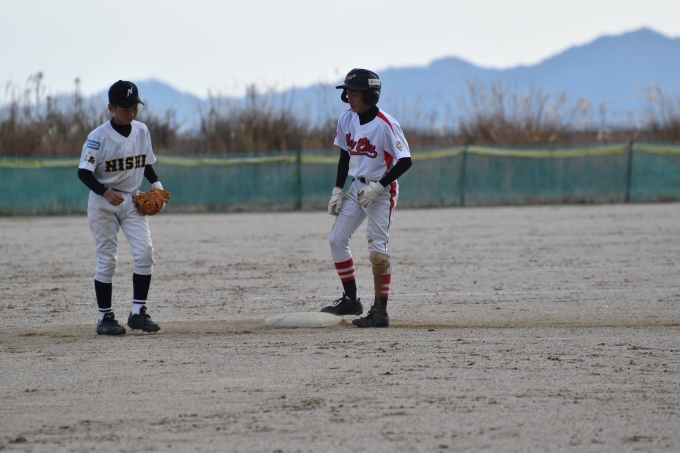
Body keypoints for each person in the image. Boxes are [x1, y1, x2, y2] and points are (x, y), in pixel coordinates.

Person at [321, 69, 413, 328]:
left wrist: (378, 186)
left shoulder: (385, 124)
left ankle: (380, 313)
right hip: (357, 188)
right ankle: (351, 301)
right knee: (336, 239)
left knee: (377, 252)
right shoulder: (346, 118)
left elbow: (405, 161)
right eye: (347, 93)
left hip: (381, 192)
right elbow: (344, 156)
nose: (349, 98)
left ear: (371, 96)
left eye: (354, 93)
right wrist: (337, 190)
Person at [77, 80, 165, 335]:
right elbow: (84, 173)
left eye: (135, 107)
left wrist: (156, 183)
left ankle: (138, 313)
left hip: (133, 201)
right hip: (103, 203)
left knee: (145, 253)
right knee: (107, 259)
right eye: (126, 108)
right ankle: (105, 318)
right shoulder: (98, 137)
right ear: (111, 108)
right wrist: (105, 192)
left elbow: (145, 163)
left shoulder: (142, 131)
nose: (132, 112)